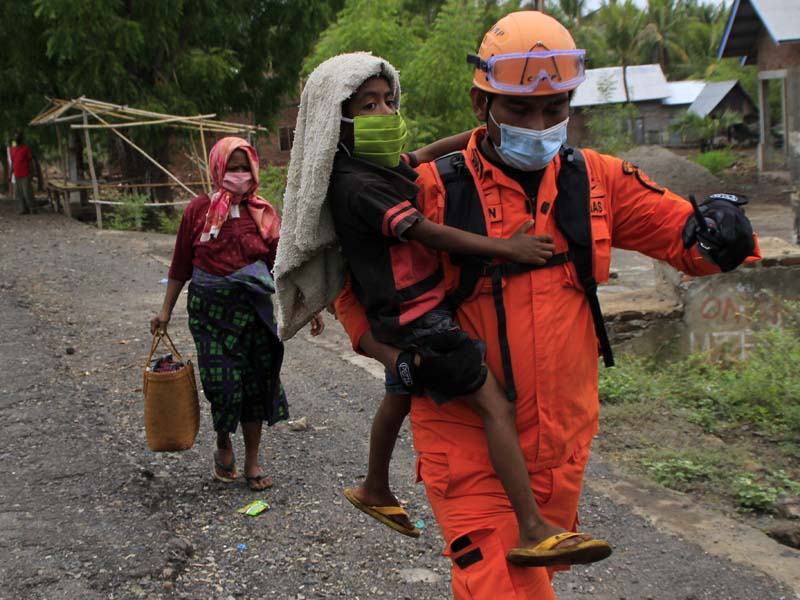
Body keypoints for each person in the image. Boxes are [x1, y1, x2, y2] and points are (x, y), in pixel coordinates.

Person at [333, 11, 761, 599]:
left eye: (555, 109)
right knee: (499, 584)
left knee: (535, 577)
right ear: (481, 104)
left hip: (560, 440)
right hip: (465, 436)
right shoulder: (431, 189)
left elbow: (686, 239)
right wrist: (393, 358)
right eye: (520, 110)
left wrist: (722, 233)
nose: (540, 124)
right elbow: (351, 286)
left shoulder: (598, 181)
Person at [276, 51, 611, 567]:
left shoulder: (376, 167)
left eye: (388, 100)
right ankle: (532, 525)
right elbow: (426, 232)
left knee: (402, 391)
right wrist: (506, 248)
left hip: (398, 316)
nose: (386, 112)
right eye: (368, 106)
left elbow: (427, 152)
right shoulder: (359, 186)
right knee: (494, 403)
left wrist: (483, 138)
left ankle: (373, 486)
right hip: (420, 317)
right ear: (333, 121)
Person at [150, 136, 323, 491]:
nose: (239, 174)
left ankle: (252, 460)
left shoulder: (263, 213)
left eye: (245, 167)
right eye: (232, 167)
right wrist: (165, 311)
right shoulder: (198, 212)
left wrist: (306, 305)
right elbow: (181, 264)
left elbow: (281, 264)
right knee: (223, 384)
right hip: (210, 312)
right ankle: (223, 440)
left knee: (256, 385)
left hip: (255, 311)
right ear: (218, 168)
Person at [9, 130, 36, 215]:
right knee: (19, 194)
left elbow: (30, 161)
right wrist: (10, 173)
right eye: (15, 136)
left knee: (27, 193)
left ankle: (32, 209)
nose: (16, 138)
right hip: (17, 175)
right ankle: (22, 209)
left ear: (21, 138)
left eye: (18, 136)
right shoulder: (12, 149)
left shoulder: (25, 148)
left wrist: (31, 174)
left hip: (25, 174)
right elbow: (13, 162)